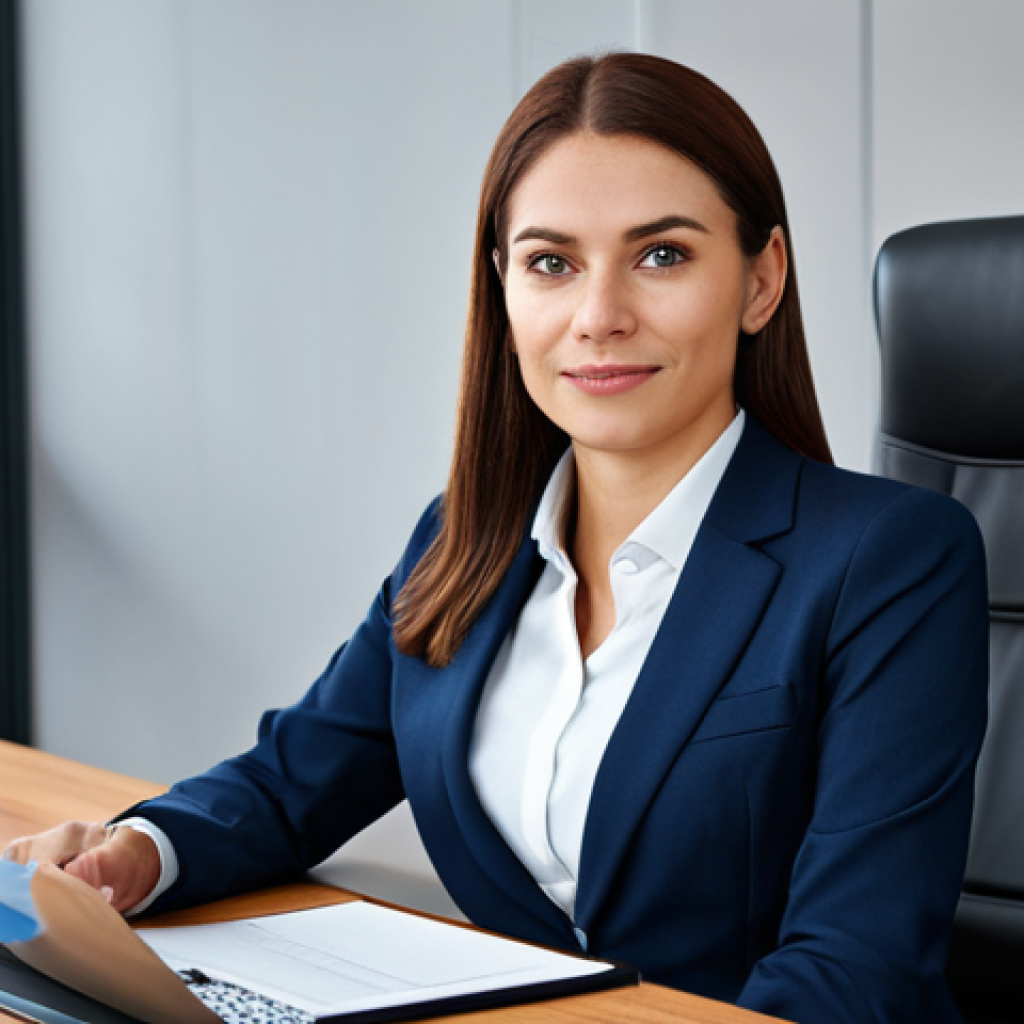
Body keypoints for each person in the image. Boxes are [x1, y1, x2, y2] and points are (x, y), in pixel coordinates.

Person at [4, 53, 988, 1024]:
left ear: (760, 280)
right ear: (504, 290)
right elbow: (291, 782)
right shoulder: (464, 542)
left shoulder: (889, 558)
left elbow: (850, 971)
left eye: (661, 255)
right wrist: (140, 849)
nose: (598, 316)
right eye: (551, 264)